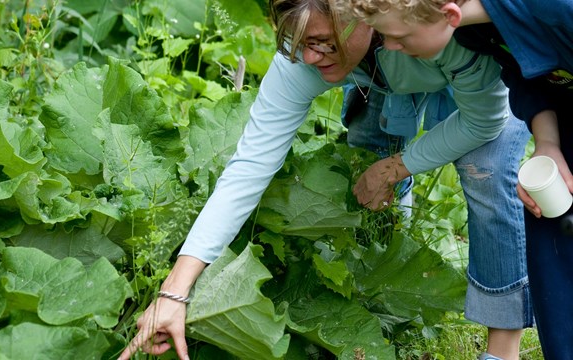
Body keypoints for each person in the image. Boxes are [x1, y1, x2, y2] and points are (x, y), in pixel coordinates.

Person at [117, 1, 531, 359]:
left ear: (363, 12)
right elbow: (250, 165)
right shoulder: (305, 56)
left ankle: (503, 348)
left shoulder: (438, 23)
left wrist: (397, 167)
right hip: (382, 70)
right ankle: (391, 269)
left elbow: (484, 120)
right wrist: (175, 290)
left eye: (323, 43)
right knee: (367, 148)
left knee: (486, 170)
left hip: (476, 77)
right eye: (297, 44)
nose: (310, 58)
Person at [341, 1, 573, 358]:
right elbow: (525, 76)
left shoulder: (553, 8)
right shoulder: (475, 30)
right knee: (552, 240)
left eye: (396, 36)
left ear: (449, 15)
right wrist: (548, 143)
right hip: (561, 111)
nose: (388, 48)